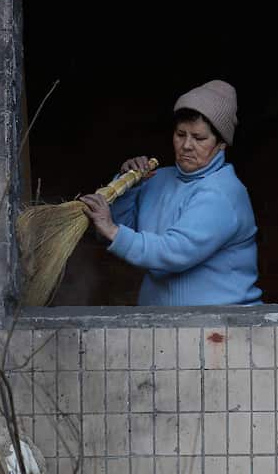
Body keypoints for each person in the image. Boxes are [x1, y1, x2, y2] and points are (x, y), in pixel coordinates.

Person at [79, 80, 262, 306]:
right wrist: (127, 190)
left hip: (222, 320)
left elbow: (174, 252)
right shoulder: (157, 179)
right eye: (180, 134)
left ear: (221, 144)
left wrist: (112, 230)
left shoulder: (223, 193)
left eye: (199, 138)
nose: (186, 145)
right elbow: (122, 235)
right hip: (163, 320)